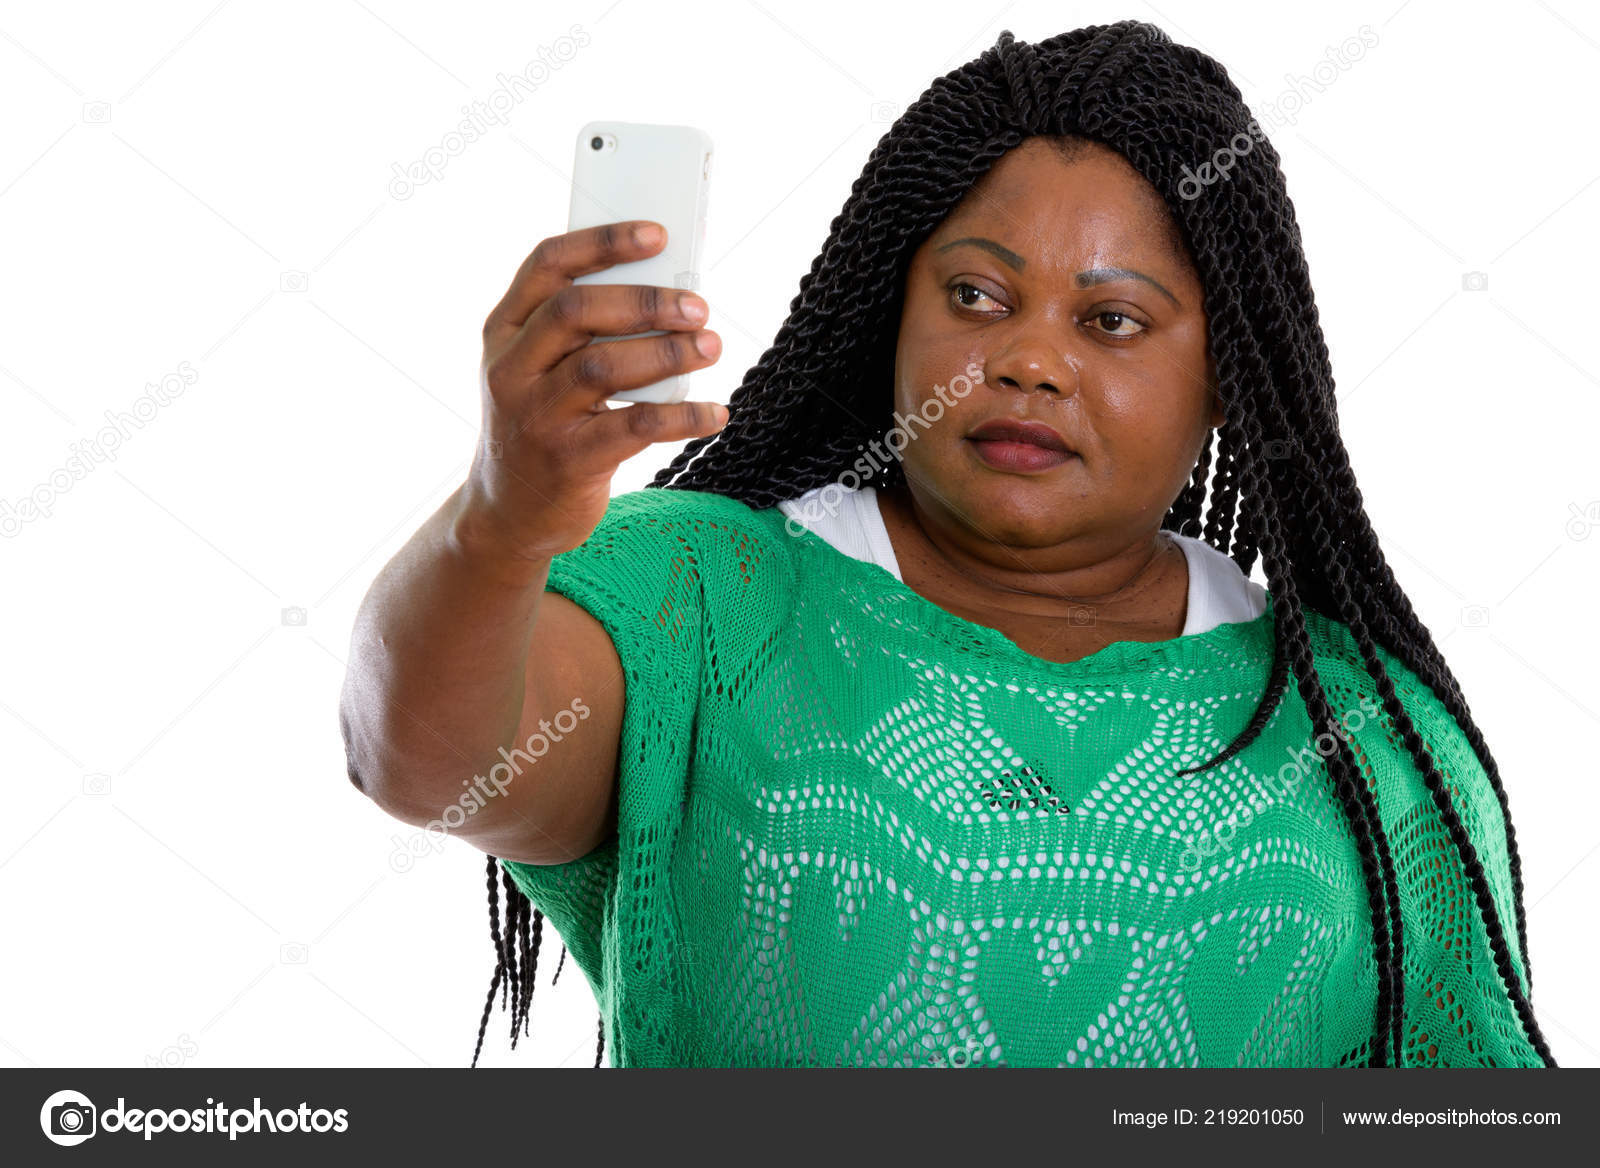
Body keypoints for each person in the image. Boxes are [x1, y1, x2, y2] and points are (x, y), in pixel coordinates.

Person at [338, 22, 1552, 1068]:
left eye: (1111, 319)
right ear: (892, 314)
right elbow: (422, 761)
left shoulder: (1368, 738)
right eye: (975, 296)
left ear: (1227, 374)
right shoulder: (705, 594)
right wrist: (500, 522)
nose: (1028, 358)